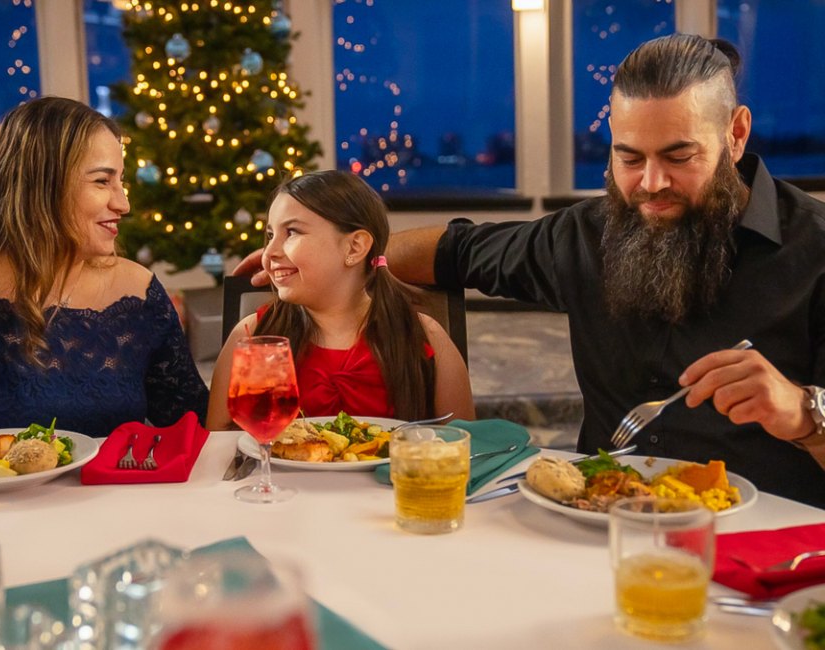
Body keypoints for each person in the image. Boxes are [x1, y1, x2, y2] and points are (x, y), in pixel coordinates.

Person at [238, 34, 825, 507]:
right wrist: (322, 262)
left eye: (679, 156)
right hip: (596, 521)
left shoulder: (814, 252)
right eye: (628, 157)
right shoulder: (586, 235)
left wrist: (805, 414)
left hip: (768, 538)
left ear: (736, 132)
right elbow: (452, 250)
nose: (650, 184)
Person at [0, 96, 209, 449]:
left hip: (117, 501)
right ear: (42, 185)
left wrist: (251, 325)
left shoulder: (137, 291)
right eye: (101, 181)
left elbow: (196, 430)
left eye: (120, 181)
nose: (123, 203)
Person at [207, 170, 474, 430]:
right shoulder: (251, 337)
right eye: (270, 235)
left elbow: (465, 448)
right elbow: (218, 449)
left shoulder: (425, 336)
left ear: (354, 247)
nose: (270, 252)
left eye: (292, 232)